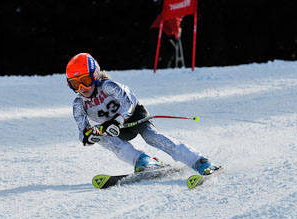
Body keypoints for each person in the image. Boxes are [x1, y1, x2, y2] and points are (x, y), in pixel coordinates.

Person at [67, 53, 218, 174]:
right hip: (115, 128)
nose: (82, 87)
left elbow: (129, 102)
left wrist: (118, 120)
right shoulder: (79, 104)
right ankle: (141, 160)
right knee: (100, 137)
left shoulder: (108, 86)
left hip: (135, 116)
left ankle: (198, 160)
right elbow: (82, 132)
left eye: (86, 80)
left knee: (151, 136)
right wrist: (89, 137)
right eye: (75, 83)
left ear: (95, 75)